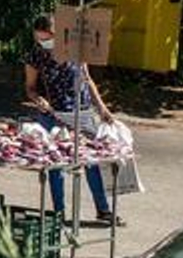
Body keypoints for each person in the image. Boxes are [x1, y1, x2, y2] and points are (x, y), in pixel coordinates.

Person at [24, 13, 119, 226]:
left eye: (48, 37)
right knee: (56, 165)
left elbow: (87, 79)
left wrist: (101, 107)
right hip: (53, 115)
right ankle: (60, 212)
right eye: (39, 38)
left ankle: (103, 209)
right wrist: (39, 99)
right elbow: (29, 88)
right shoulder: (35, 56)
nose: (44, 42)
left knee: (91, 162)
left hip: (82, 112)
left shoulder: (76, 50)